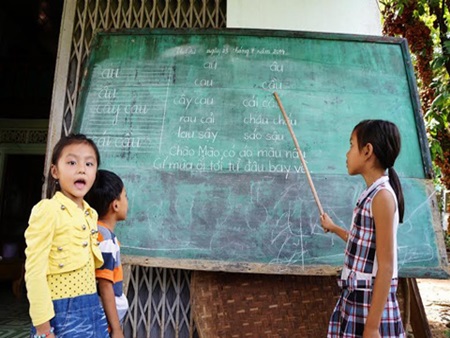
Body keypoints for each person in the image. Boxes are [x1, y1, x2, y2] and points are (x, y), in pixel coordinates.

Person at [320, 120, 406, 338]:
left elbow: (386, 266)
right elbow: (362, 243)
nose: (347, 153)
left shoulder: (382, 197)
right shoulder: (371, 195)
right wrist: (333, 227)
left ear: (367, 151)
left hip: (370, 302)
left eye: (351, 145)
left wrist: (372, 327)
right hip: (357, 296)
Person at [24, 134, 109, 338]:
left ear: (95, 173)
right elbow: (34, 272)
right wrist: (44, 330)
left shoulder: (90, 214)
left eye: (89, 164)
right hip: (60, 312)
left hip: (91, 307)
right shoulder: (48, 210)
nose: (81, 169)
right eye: (71, 162)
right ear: (55, 171)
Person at [85, 170, 129, 338]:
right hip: (103, 320)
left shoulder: (94, 230)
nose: (127, 202)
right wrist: (116, 329)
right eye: (125, 196)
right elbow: (105, 285)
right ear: (115, 205)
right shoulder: (105, 239)